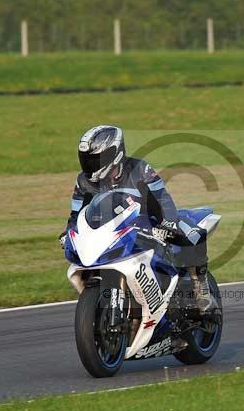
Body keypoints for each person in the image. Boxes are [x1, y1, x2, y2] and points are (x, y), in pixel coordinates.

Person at [60, 125, 214, 312]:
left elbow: (163, 198)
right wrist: (68, 232)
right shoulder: (83, 181)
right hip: (113, 230)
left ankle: (201, 286)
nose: (89, 165)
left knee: (190, 232)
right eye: (86, 160)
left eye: (94, 160)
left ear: (114, 154)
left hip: (150, 222)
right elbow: (76, 214)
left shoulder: (141, 169)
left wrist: (168, 222)